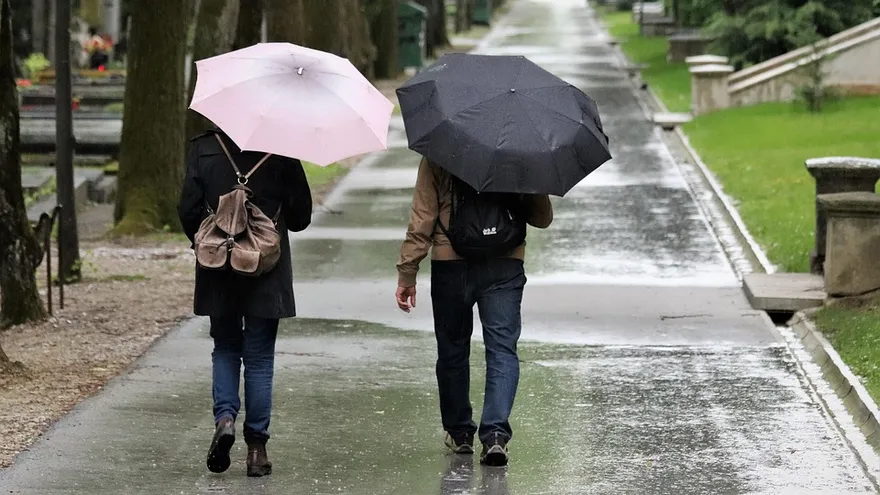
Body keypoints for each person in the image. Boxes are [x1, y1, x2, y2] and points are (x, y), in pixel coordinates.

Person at [396, 158, 553, 467]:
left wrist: (407, 272)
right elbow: (542, 218)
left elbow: (422, 218)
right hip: (505, 262)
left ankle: (460, 433)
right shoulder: (520, 151)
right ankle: (495, 435)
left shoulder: (439, 151)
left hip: (450, 263)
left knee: (453, 350)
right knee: (502, 350)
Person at [178, 127, 312, 477]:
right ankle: (256, 449)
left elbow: (187, 209)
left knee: (224, 346)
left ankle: (224, 418)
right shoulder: (281, 148)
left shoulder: (203, 147)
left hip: (217, 265)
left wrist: (212, 235)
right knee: (259, 356)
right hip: (265, 268)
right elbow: (301, 218)